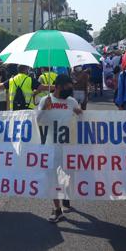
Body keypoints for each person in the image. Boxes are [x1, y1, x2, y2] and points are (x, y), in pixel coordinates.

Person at [37, 74, 83, 223]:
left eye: (71, 86)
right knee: (51, 178)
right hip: (51, 147)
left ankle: (66, 196)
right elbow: (36, 122)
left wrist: (80, 113)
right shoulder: (46, 100)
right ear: (57, 87)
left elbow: (84, 120)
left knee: (70, 174)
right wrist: (43, 109)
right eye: (67, 87)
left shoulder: (71, 101)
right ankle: (57, 209)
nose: (70, 89)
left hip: (68, 146)